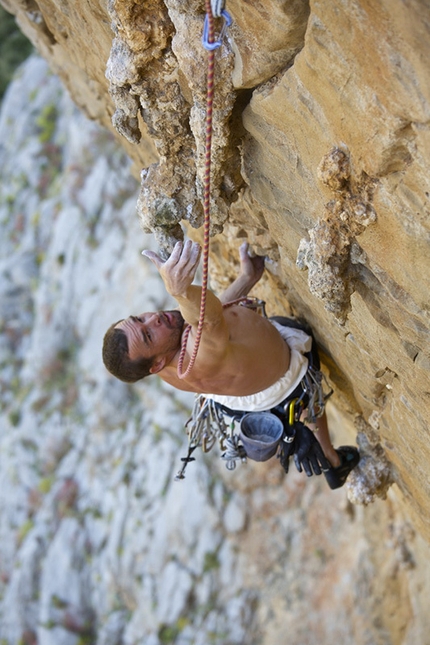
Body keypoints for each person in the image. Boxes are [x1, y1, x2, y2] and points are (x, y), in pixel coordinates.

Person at [102, 240, 359, 487]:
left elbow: (208, 325)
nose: (153, 319)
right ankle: (331, 459)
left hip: (243, 392)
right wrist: (180, 291)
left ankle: (330, 460)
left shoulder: (164, 364)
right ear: (156, 364)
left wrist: (247, 278)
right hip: (286, 378)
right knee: (310, 399)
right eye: (148, 335)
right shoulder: (194, 355)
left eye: (139, 318)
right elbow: (209, 321)